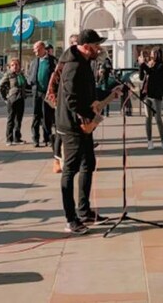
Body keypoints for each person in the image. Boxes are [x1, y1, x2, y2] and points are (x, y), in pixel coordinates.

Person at [56, 28, 116, 234]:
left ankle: (84, 211)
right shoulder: (73, 66)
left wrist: (109, 93)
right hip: (72, 125)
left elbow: (89, 92)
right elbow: (72, 100)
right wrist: (89, 116)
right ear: (86, 46)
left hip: (83, 123)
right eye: (97, 45)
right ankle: (70, 219)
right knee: (70, 170)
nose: (99, 49)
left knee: (88, 163)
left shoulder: (85, 63)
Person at [139, 47, 163, 150]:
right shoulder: (148, 64)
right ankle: (149, 141)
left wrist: (143, 65)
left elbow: (154, 74)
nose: (151, 56)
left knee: (158, 118)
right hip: (146, 94)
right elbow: (141, 77)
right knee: (148, 118)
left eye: (153, 54)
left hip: (156, 94)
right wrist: (141, 65)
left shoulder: (162, 65)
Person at [27, 41, 57, 147]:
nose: (36, 51)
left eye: (38, 49)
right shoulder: (34, 61)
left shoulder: (52, 61)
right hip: (36, 92)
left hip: (47, 93)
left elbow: (57, 75)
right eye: (34, 49)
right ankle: (35, 138)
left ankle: (47, 138)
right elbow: (30, 74)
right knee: (36, 115)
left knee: (47, 116)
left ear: (44, 48)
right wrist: (31, 81)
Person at [0, 57, 30, 145]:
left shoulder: (21, 75)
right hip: (12, 99)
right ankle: (9, 139)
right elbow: (0, 86)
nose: (15, 66)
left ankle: (17, 138)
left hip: (21, 99)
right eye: (12, 65)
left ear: (19, 66)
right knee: (11, 119)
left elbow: (26, 85)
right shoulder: (8, 75)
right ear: (10, 67)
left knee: (18, 120)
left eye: (16, 65)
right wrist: (5, 98)